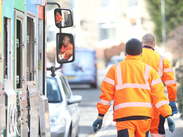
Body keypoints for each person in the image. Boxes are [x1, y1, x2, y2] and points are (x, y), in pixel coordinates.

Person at [92, 38, 175, 137]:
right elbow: (159, 97)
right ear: (141, 53)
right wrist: (168, 115)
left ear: (126, 52)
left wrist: (100, 116)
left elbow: (106, 96)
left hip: (124, 118)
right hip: (144, 118)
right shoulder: (150, 71)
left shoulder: (114, 69)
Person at [141, 33, 177, 137]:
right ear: (154, 44)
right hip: (157, 103)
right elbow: (171, 83)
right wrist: (172, 100)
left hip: (138, 103)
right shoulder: (162, 60)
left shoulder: (135, 58)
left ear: (142, 43)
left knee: (140, 132)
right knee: (157, 132)